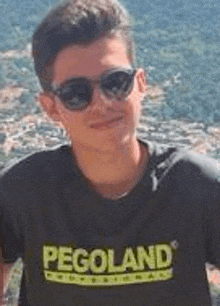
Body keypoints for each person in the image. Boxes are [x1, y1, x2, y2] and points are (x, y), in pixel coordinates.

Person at [0, 0, 220, 305]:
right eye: (77, 93)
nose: (102, 103)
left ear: (140, 84)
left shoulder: (201, 187)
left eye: (115, 82)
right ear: (51, 107)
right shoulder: (21, 192)